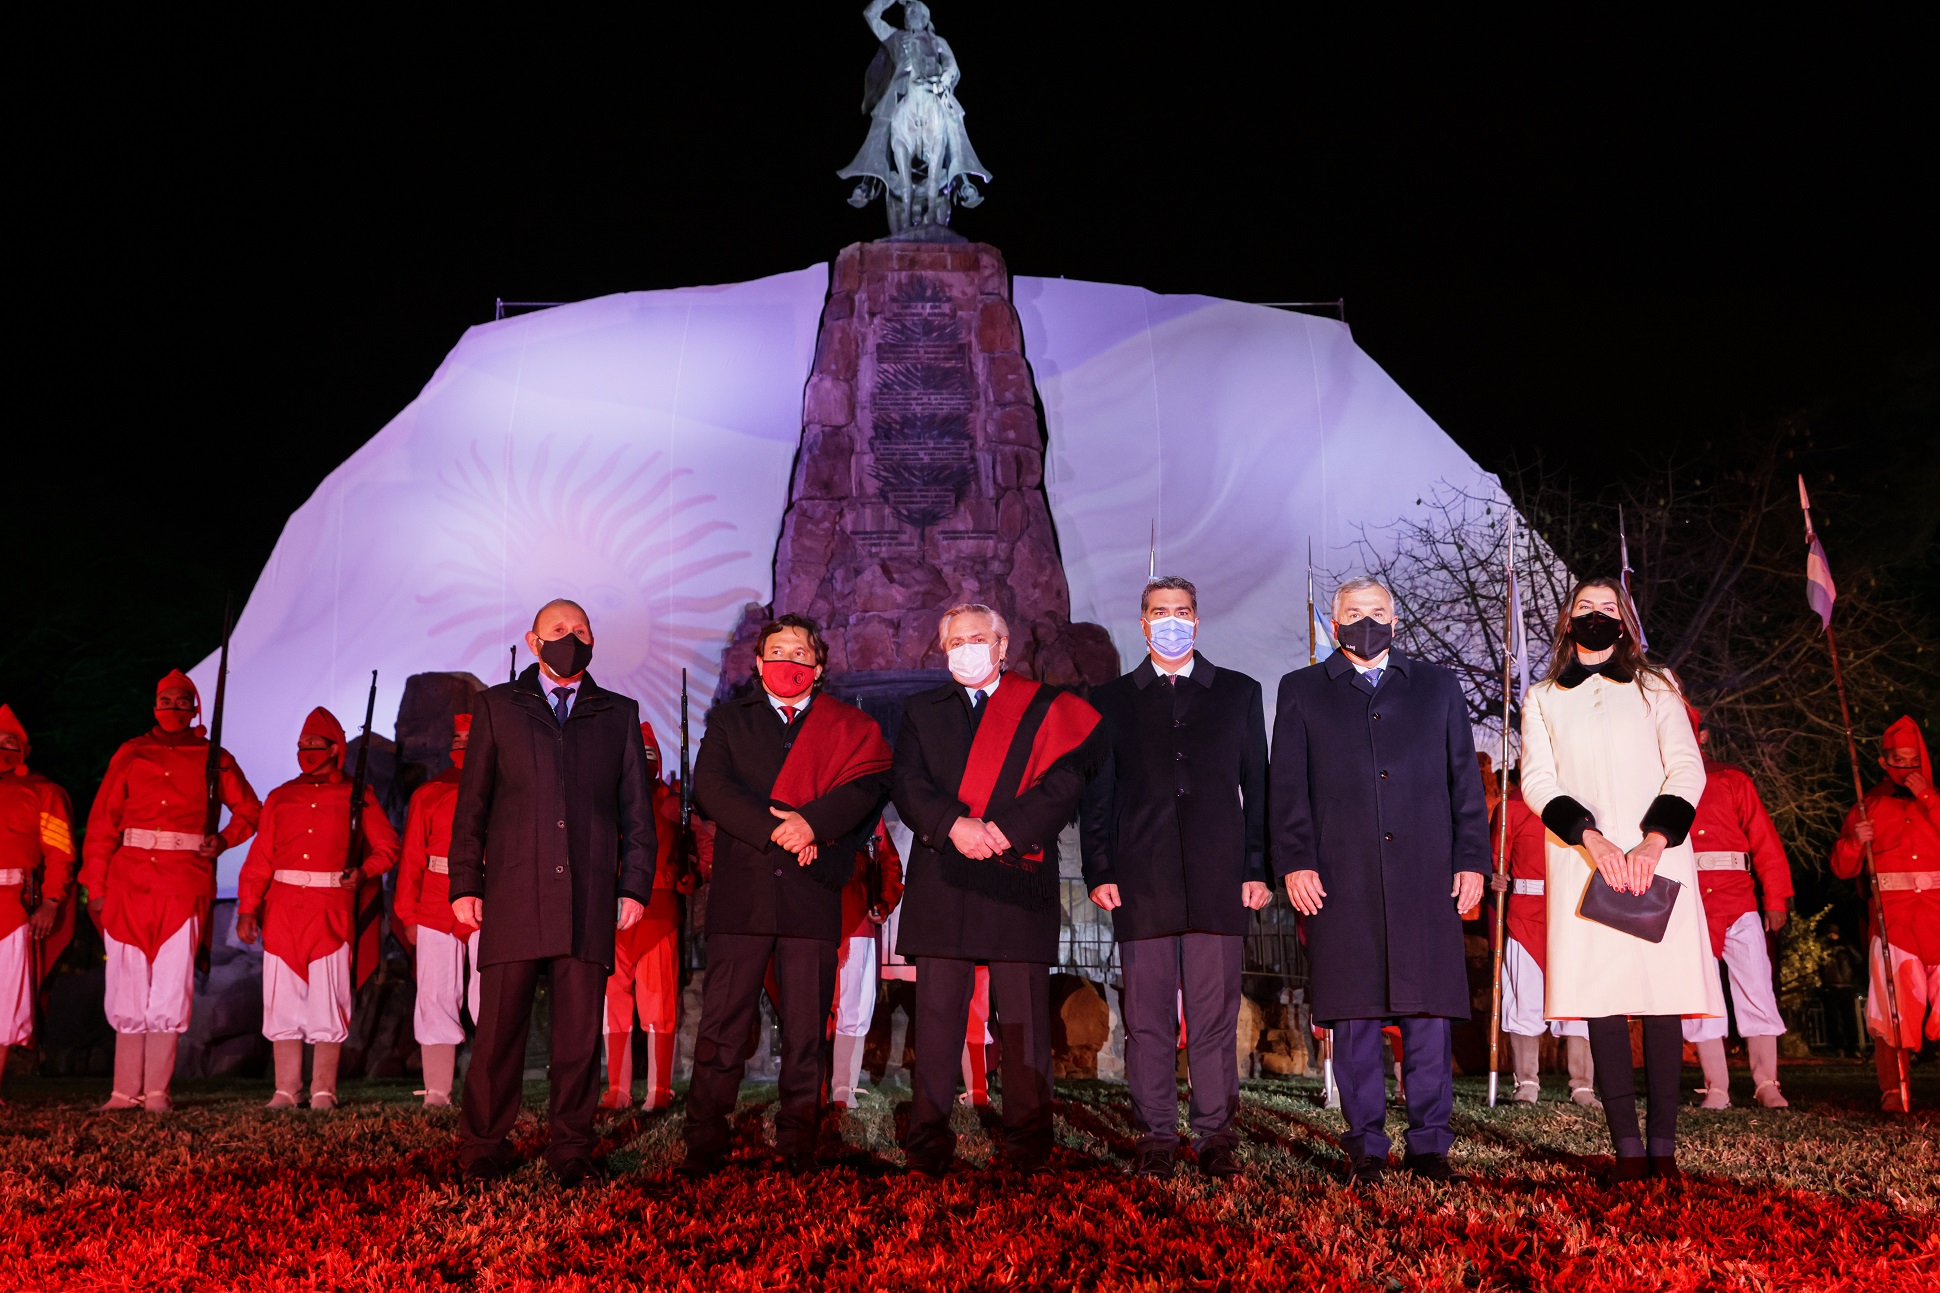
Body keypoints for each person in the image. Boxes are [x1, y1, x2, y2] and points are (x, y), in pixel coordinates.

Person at [1271, 576, 1489, 1185]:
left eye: (1378, 611)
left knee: (1427, 1018)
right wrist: (1295, 860)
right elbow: (1287, 788)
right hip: (1341, 879)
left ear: (1397, 619)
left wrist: (1471, 859)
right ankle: (1365, 1143)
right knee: (1355, 1017)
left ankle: (1429, 1145)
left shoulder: (1437, 687)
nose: (1366, 621)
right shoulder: (1302, 690)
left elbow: (1462, 785)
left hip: (1426, 877)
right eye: (1353, 612)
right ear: (1333, 622)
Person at [448, 598, 658, 1187]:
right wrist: (465, 881)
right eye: (559, 630)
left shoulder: (617, 713)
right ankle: (484, 1148)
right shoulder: (498, 707)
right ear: (533, 640)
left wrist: (634, 885)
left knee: (577, 1036)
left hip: (588, 894)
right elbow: (473, 807)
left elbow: (637, 815)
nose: (572, 638)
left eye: (582, 630)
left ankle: (571, 1148)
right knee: (499, 1033)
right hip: (514, 892)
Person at [892, 603, 1105, 1177]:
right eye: (955, 640)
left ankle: (1028, 1144)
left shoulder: (1042, 707)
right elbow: (907, 783)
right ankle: (928, 1144)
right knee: (935, 1023)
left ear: (1003, 645)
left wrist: (1006, 831)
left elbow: (1064, 783)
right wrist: (954, 826)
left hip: (1017, 871)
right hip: (945, 873)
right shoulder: (921, 709)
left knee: (1023, 1024)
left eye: (977, 638)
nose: (966, 648)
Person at [1519, 577, 1720, 1181]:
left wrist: (1654, 840)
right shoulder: (1543, 697)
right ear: (1566, 621)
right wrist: (1592, 838)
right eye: (1587, 608)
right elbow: (1538, 781)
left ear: (1626, 622)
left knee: (1661, 1003)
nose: (1598, 616)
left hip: (1658, 856)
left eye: (1610, 608)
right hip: (1586, 861)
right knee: (1602, 1002)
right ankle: (1627, 1151)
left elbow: (1685, 765)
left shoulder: (1658, 686)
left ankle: (1663, 1149)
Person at [685, 614, 893, 1175]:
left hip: (809, 893)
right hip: (743, 896)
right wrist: (782, 829)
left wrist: (814, 826)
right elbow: (711, 789)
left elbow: (868, 787)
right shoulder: (730, 720)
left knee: (806, 1028)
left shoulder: (847, 727)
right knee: (723, 1027)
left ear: (819, 667)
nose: (789, 662)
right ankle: (704, 1140)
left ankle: (798, 1140)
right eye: (778, 651)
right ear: (758, 663)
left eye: (801, 654)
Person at [1080, 576, 1269, 1179]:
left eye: (1181, 611)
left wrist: (1257, 866)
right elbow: (1097, 793)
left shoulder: (1238, 692)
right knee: (1147, 1017)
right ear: (1142, 624)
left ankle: (1215, 1135)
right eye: (1159, 612)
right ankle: (1157, 1134)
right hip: (1141, 877)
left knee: (1214, 1018)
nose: (1171, 620)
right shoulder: (1109, 700)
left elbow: (1258, 788)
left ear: (1197, 619)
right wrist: (1099, 866)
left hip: (1220, 879)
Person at [80, 670, 261, 1113]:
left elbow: (251, 810)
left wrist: (223, 839)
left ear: (195, 707)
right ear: (155, 705)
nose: (175, 708)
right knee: (126, 983)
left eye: (184, 701)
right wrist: (97, 887)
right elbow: (103, 823)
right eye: (167, 700)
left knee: (169, 984)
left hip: (183, 883)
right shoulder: (131, 752)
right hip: (128, 882)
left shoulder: (214, 756)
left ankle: (157, 1092)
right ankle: (124, 1092)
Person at [235, 707, 401, 1109]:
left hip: (332, 910)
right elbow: (260, 859)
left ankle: (323, 1090)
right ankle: (285, 1090)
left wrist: (364, 872)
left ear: (336, 749)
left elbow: (388, 847)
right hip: (283, 912)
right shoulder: (280, 797)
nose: (307, 752)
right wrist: (247, 908)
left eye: (315, 746)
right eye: (302, 746)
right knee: (282, 1001)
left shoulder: (358, 797)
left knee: (330, 1001)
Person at [1682, 707, 1795, 1109]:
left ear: (1702, 736)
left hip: (1739, 898)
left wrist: (1775, 898)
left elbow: (1764, 841)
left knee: (1756, 987)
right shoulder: (1659, 788)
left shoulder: (1733, 780)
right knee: (1698, 994)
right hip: (1689, 905)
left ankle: (1767, 1083)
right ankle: (1716, 1086)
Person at [1830, 715, 1939, 1111]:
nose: (1905, 768)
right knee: (1891, 1007)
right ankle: (1894, 1088)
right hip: (1894, 919)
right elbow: (1842, 868)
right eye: (1897, 759)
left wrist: (1927, 796)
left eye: (1912, 760)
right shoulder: (1868, 804)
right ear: (1882, 761)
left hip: (1937, 917)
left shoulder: (1936, 801)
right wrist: (1855, 843)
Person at [1487, 770, 1598, 1106]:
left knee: (1578, 1003)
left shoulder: (1586, 802)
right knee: (1525, 999)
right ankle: (1527, 1083)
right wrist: (1493, 877)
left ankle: (1582, 1085)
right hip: (1526, 915)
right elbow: (1494, 859)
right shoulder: (1513, 806)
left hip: (1575, 916)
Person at [599, 720, 689, 1113]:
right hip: (612, 914)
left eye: (649, 754)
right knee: (613, 1007)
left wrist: (691, 871)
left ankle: (658, 1090)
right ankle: (618, 1089)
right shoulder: (606, 799)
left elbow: (697, 842)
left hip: (657, 914)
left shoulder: (673, 802)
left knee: (659, 1007)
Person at [393, 712, 479, 1108]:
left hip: (488, 900)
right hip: (434, 902)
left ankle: (490, 1090)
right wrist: (407, 914)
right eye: (457, 736)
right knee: (435, 994)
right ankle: (437, 1092)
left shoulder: (508, 789)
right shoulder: (428, 793)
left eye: (470, 737)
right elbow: (412, 856)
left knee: (490, 996)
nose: (462, 743)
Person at [0, 705, 77, 1104]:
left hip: (12, 910)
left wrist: (50, 901)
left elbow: (61, 854)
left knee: (2, 1002)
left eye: (9, 744)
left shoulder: (44, 792)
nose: (2, 749)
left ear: (25, 750)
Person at [832, 819, 904, 1109]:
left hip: (857, 919)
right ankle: (838, 1083)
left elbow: (889, 862)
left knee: (858, 1004)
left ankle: (843, 1083)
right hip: (825, 918)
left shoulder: (870, 815)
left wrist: (883, 902)